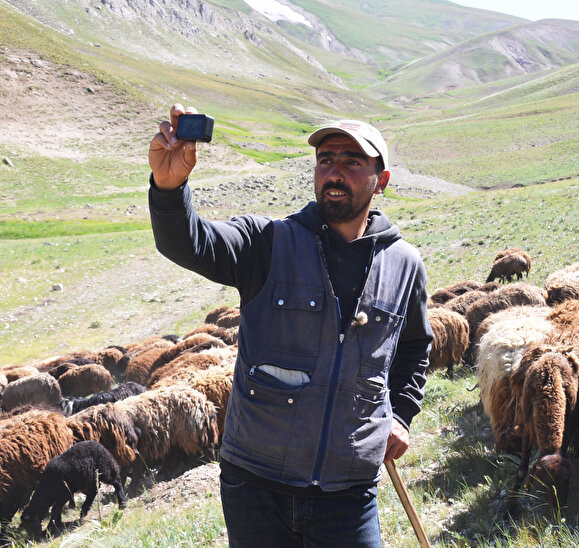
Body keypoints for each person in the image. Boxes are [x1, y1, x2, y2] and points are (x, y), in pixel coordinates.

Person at [147, 104, 433, 547]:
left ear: (381, 180)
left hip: (349, 488)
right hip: (256, 483)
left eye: (352, 161)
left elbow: (414, 346)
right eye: (326, 159)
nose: (334, 172)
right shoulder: (268, 241)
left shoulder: (404, 264)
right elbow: (189, 242)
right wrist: (170, 188)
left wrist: (401, 414)